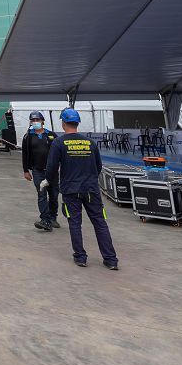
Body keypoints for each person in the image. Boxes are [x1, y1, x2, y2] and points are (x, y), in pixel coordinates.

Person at [44, 108, 119, 270]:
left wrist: (48, 181)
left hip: (71, 190)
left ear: (63, 123)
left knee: (75, 223)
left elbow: (51, 167)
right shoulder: (90, 142)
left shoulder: (59, 143)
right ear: (77, 123)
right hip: (91, 190)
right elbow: (98, 166)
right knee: (100, 223)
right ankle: (111, 259)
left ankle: (80, 257)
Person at [21, 111, 59, 231]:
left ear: (43, 121)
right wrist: (26, 170)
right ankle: (45, 220)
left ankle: (53, 217)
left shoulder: (51, 135)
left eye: (37, 120)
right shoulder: (28, 136)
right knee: (42, 195)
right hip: (38, 171)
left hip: (52, 171)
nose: (35, 122)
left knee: (53, 195)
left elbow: (59, 151)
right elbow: (25, 154)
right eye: (33, 120)